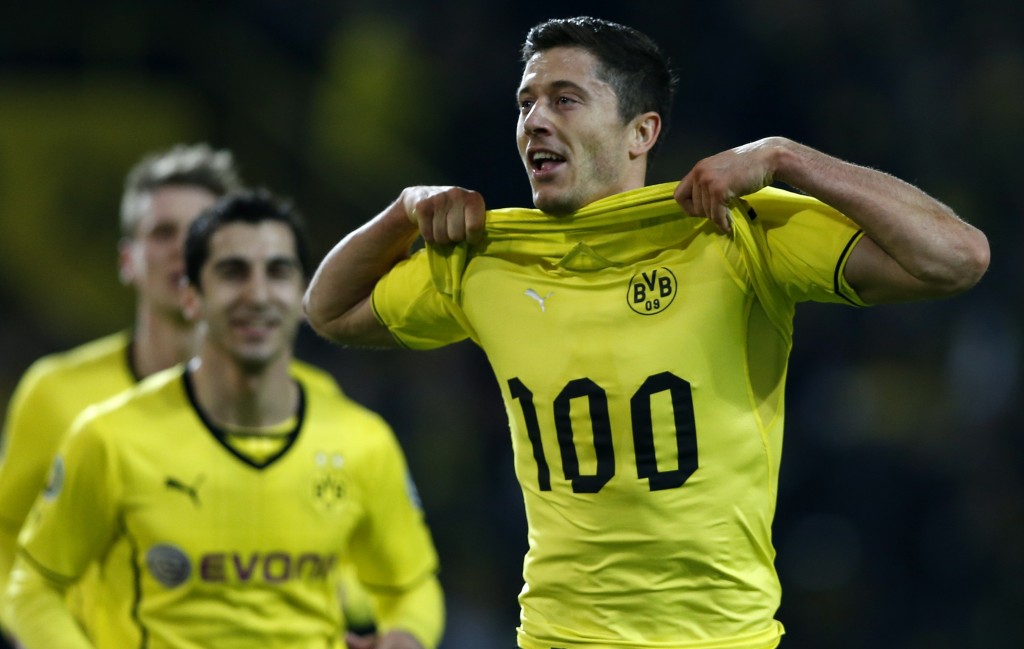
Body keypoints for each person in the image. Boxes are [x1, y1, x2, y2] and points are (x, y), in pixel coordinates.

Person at [302, 15, 990, 649]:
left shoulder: (734, 231)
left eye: (565, 100)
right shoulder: (485, 260)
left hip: (720, 638)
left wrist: (786, 157)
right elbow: (327, 310)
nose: (535, 121)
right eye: (526, 103)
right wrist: (402, 211)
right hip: (558, 637)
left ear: (642, 133)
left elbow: (956, 256)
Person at [1, 190, 444, 649]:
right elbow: (34, 588)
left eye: (278, 272)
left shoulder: (362, 441)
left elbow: (411, 587)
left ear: (302, 296)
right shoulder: (109, 437)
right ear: (192, 297)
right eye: (233, 272)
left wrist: (406, 636)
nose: (258, 295)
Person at [0, 143, 242, 644]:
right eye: (162, 232)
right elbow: (5, 532)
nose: (182, 248)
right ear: (128, 260)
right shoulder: (55, 393)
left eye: (200, 231)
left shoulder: (284, 402)